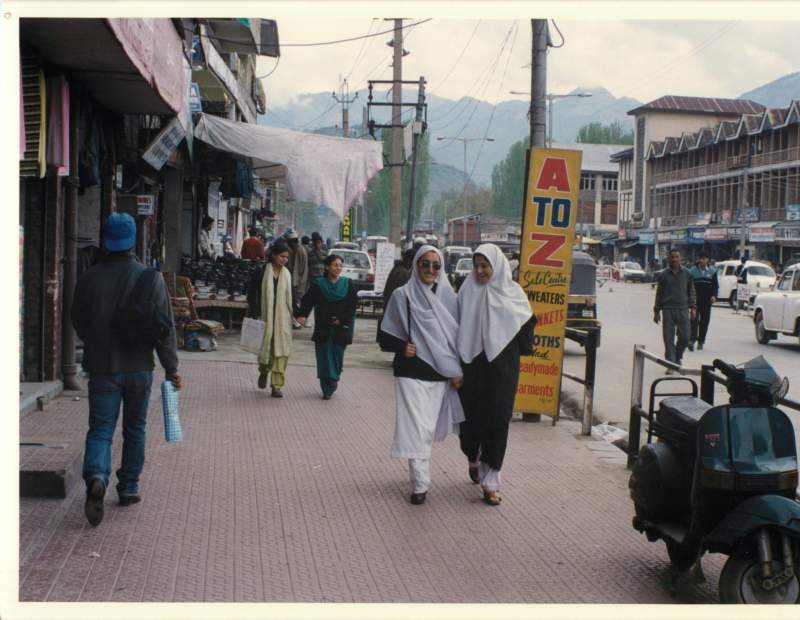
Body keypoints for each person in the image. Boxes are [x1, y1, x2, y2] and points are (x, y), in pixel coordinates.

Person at [72, 213, 181, 526]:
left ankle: (96, 476)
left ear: (105, 241)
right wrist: (171, 367)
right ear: (133, 241)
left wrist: (95, 342)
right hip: (139, 368)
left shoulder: (89, 278)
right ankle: (129, 487)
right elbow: (165, 329)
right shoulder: (151, 278)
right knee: (135, 428)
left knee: (101, 429)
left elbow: (77, 319)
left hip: (103, 368)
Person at [379, 245, 464, 505]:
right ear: (416, 265)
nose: (430, 270)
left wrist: (457, 370)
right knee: (415, 426)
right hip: (410, 371)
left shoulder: (450, 299)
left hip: (440, 374)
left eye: (436, 265)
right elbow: (384, 336)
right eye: (424, 264)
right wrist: (401, 346)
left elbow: (457, 339)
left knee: (426, 429)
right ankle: (420, 484)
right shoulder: (402, 295)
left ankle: (418, 474)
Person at [456, 244, 535, 506]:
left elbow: (527, 335)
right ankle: (472, 456)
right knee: (470, 426)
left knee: (498, 423)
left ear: (496, 266)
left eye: (484, 266)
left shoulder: (514, 294)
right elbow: (455, 328)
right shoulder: (466, 292)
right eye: (476, 266)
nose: (479, 271)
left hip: (503, 371)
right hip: (472, 368)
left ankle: (491, 483)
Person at [296, 254, 358, 399]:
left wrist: (341, 320)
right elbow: (308, 301)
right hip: (323, 327)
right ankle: (326, 388)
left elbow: (352, 306)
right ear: (327, 267)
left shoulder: (348, 284)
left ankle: (333, 378)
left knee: (337, 356)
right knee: (323, 357)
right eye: (335, 265)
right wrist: (302, 315)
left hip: (340, 329)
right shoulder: (319, 284)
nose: (338, 268)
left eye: (340, 265)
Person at [257, 243, 294, 398]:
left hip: (282, 319)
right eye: (282, 256)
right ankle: (264, 371)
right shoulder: (262, 272)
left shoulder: (287, 274)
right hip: (266, 317)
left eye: (286, 257)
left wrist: (295, 315)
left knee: (282, 351)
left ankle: (276, 385)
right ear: (273, 255)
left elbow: (290, 298)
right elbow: (254, 293)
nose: (284, 260)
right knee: (267, 349)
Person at [653, 248, 697, 373]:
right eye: (672, 257)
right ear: (668, 259)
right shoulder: (663, 275)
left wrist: (693, 308)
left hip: (683, 308)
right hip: (668, 309)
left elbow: (692, 292)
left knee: (685, 336)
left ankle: (677, 357)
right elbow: (659, 294)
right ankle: (671, 364)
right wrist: (656, 311)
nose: (674, 259)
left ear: (680, 258)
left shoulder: (687, 274)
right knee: (668, 338)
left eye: (677, 257)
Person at [688, 251, 719, 351]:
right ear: (698, 259)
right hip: (695, 301)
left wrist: (714, 296)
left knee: (704, 322)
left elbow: (715, 286)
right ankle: (692, 340)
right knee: (693, 321)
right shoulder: (692, 271)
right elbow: (688, 286)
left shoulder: (712, 271)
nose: (702, 260)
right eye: (701, 258)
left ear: (708, 260)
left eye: (704, 258)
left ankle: (701, 341)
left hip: (707, 302)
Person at [285, 231, 308, 321]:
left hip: (297, 281)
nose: (288, 244)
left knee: (296, 301)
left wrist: (293, 284)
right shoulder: (298, 249)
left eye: (289, 242)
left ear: (293, 241)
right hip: (299, 279)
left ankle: (297, 320)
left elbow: (296, 269)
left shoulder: (298, 250)